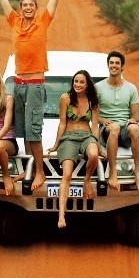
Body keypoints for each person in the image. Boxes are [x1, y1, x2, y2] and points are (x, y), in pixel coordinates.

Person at [0, 0, 78, 191]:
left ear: (36, 8)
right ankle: (29, 168)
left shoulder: (43, 21)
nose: (27, 8)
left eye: (31, 5)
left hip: (34, 85)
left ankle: (40, 172)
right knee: (22, 131)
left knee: (34, 132)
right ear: (20, 8)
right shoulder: (14, 21)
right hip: (17, 85)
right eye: (23, 5)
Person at [46, 70, 100, 228]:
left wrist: (98, 144)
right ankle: (61, 215)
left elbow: (95, 126)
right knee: (67, 174)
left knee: (94, 155)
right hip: (69, 137)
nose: (78, 84)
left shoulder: (93, 100)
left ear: (87, 84)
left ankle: (87, 181)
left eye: (81, 82)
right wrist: (56, 144)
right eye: (76, 81)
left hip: (86, 136)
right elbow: (62, 122)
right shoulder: (66, 98)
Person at [96, 49, 139, 191]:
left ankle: (137, 171)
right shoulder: (98, 87)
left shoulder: (131, 88)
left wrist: (133, 120)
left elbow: (136, 115)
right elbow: (93, 114)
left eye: (117, 63)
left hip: (125, 128)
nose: (114, 65)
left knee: (135, 128)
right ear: (108, 65)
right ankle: (112, 172)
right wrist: (102, 120)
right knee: (115, 127)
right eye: (111, 63)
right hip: (108, 129)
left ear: (122, 66)